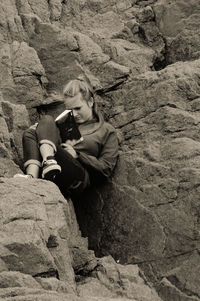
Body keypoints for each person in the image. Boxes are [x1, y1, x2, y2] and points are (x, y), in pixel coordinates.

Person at [14, 77, 119, 196]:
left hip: (76, 176)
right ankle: (32, 176)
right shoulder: (64, 123)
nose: (74, 114)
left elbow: (106, 168)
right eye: (70, 110)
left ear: (90, 102)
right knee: (35, 129)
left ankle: (49, 162)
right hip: (53, 166)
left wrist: (78, 155)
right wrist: (41, 130)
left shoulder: (106, 130)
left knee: (47, 124)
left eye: (78, 108)